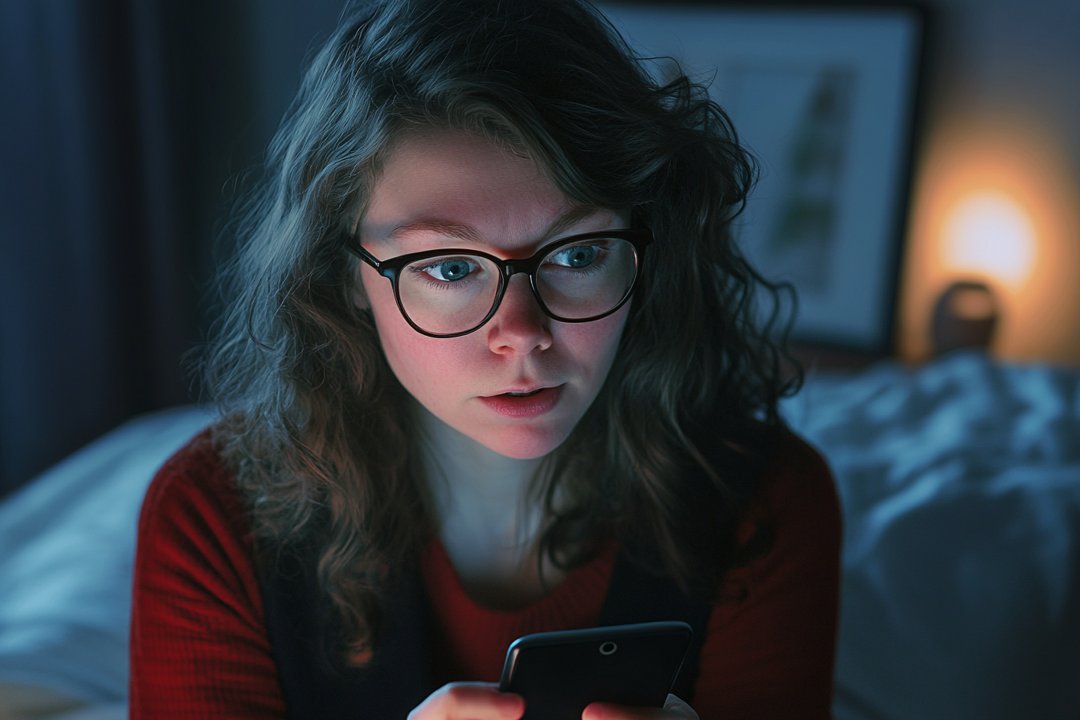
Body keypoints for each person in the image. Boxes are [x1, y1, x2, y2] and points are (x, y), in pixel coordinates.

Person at [129, 0, 841, 717]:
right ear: (345, 274)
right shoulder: (212, 520)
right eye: (448, 267)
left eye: (579, 253)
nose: (523, 333)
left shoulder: (765, 502)